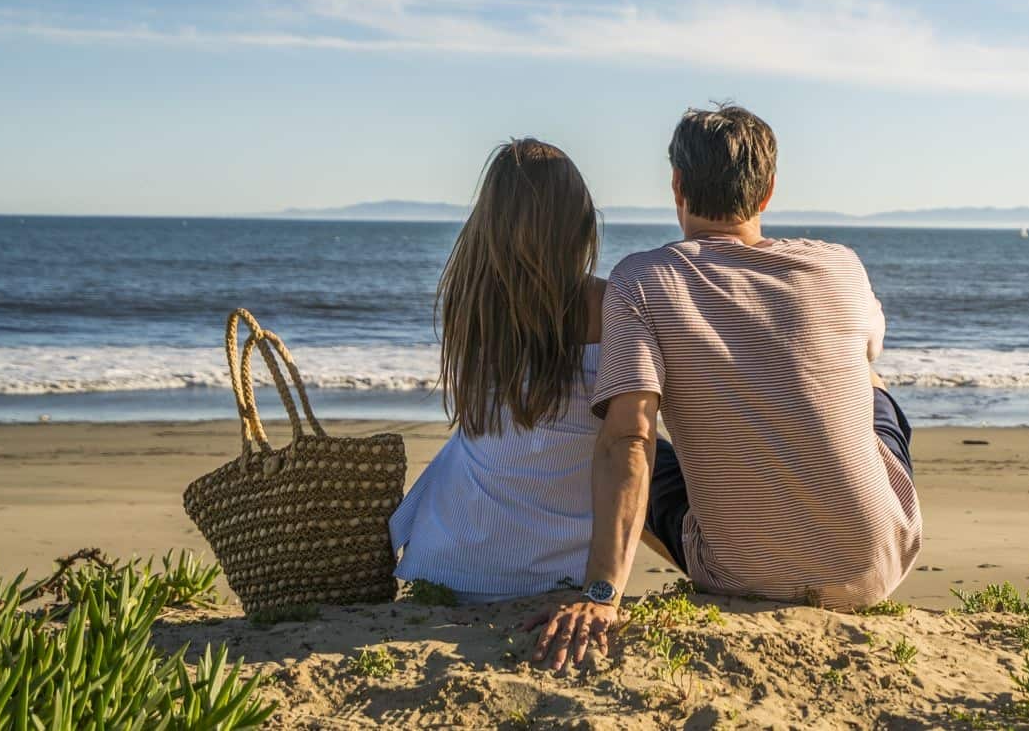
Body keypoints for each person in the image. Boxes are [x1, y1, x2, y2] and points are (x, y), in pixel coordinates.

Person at [534, 104, 922, 670]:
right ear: (767, 192)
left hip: (739, 572)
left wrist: (601, 594)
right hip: (878, 562)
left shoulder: (640, 281)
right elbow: (864, 353)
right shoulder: (840, 266)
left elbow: (630, 441)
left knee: (613, 432)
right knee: (867, 380)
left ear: (677, 186)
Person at [389, 138, 613, 603]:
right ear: (578, 222)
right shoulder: (610, 305)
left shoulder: (471, 303)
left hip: (448, 565)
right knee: (640, 446)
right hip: (558, 572)